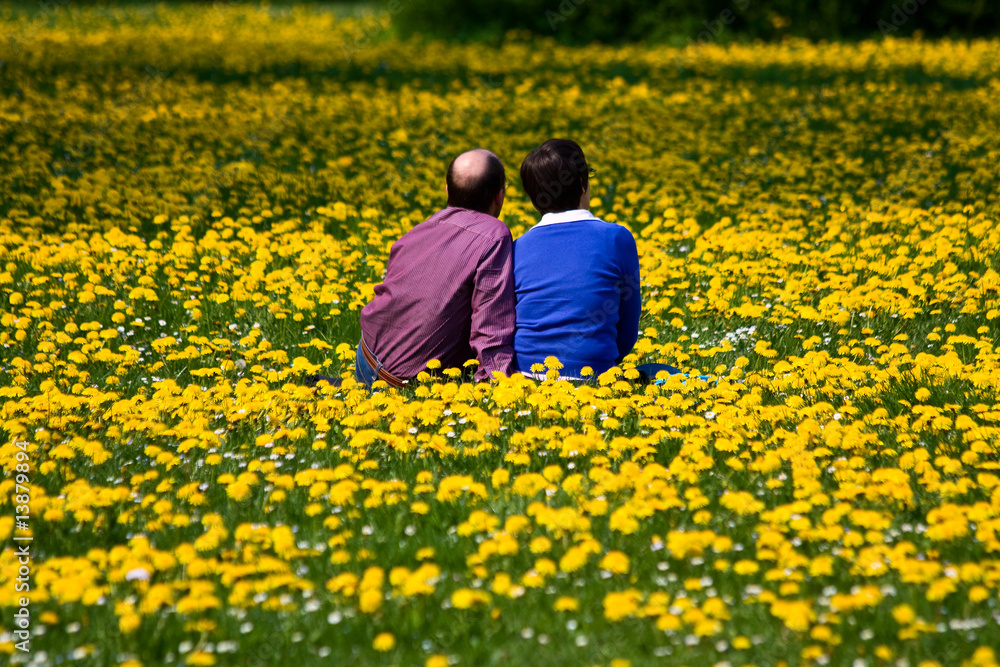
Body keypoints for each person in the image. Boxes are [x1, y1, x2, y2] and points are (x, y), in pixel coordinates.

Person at [513, 139, 678, 383]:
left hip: (524, 379)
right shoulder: (616, 238)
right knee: (665, 373)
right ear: (582, 184)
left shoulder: (518, 247)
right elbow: (627, 331)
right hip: (594, 377)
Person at [354, 148, 516, 388]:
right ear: (499, 197)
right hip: (408, 385)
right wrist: (500, 390)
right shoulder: (494, 236)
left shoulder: (420, 229)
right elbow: (490, 327)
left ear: (447, 190)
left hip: (365, 358)